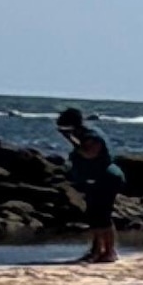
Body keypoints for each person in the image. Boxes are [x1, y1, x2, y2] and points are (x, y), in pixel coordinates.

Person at [57, 109, 122, 262]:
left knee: (103, 215)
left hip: (107, 178)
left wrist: (70, 138)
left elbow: (89, 153)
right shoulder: (82, 135)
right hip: (93, 179)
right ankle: (96, 249)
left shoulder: (92, 135)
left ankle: (109, 251)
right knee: (94, 215)